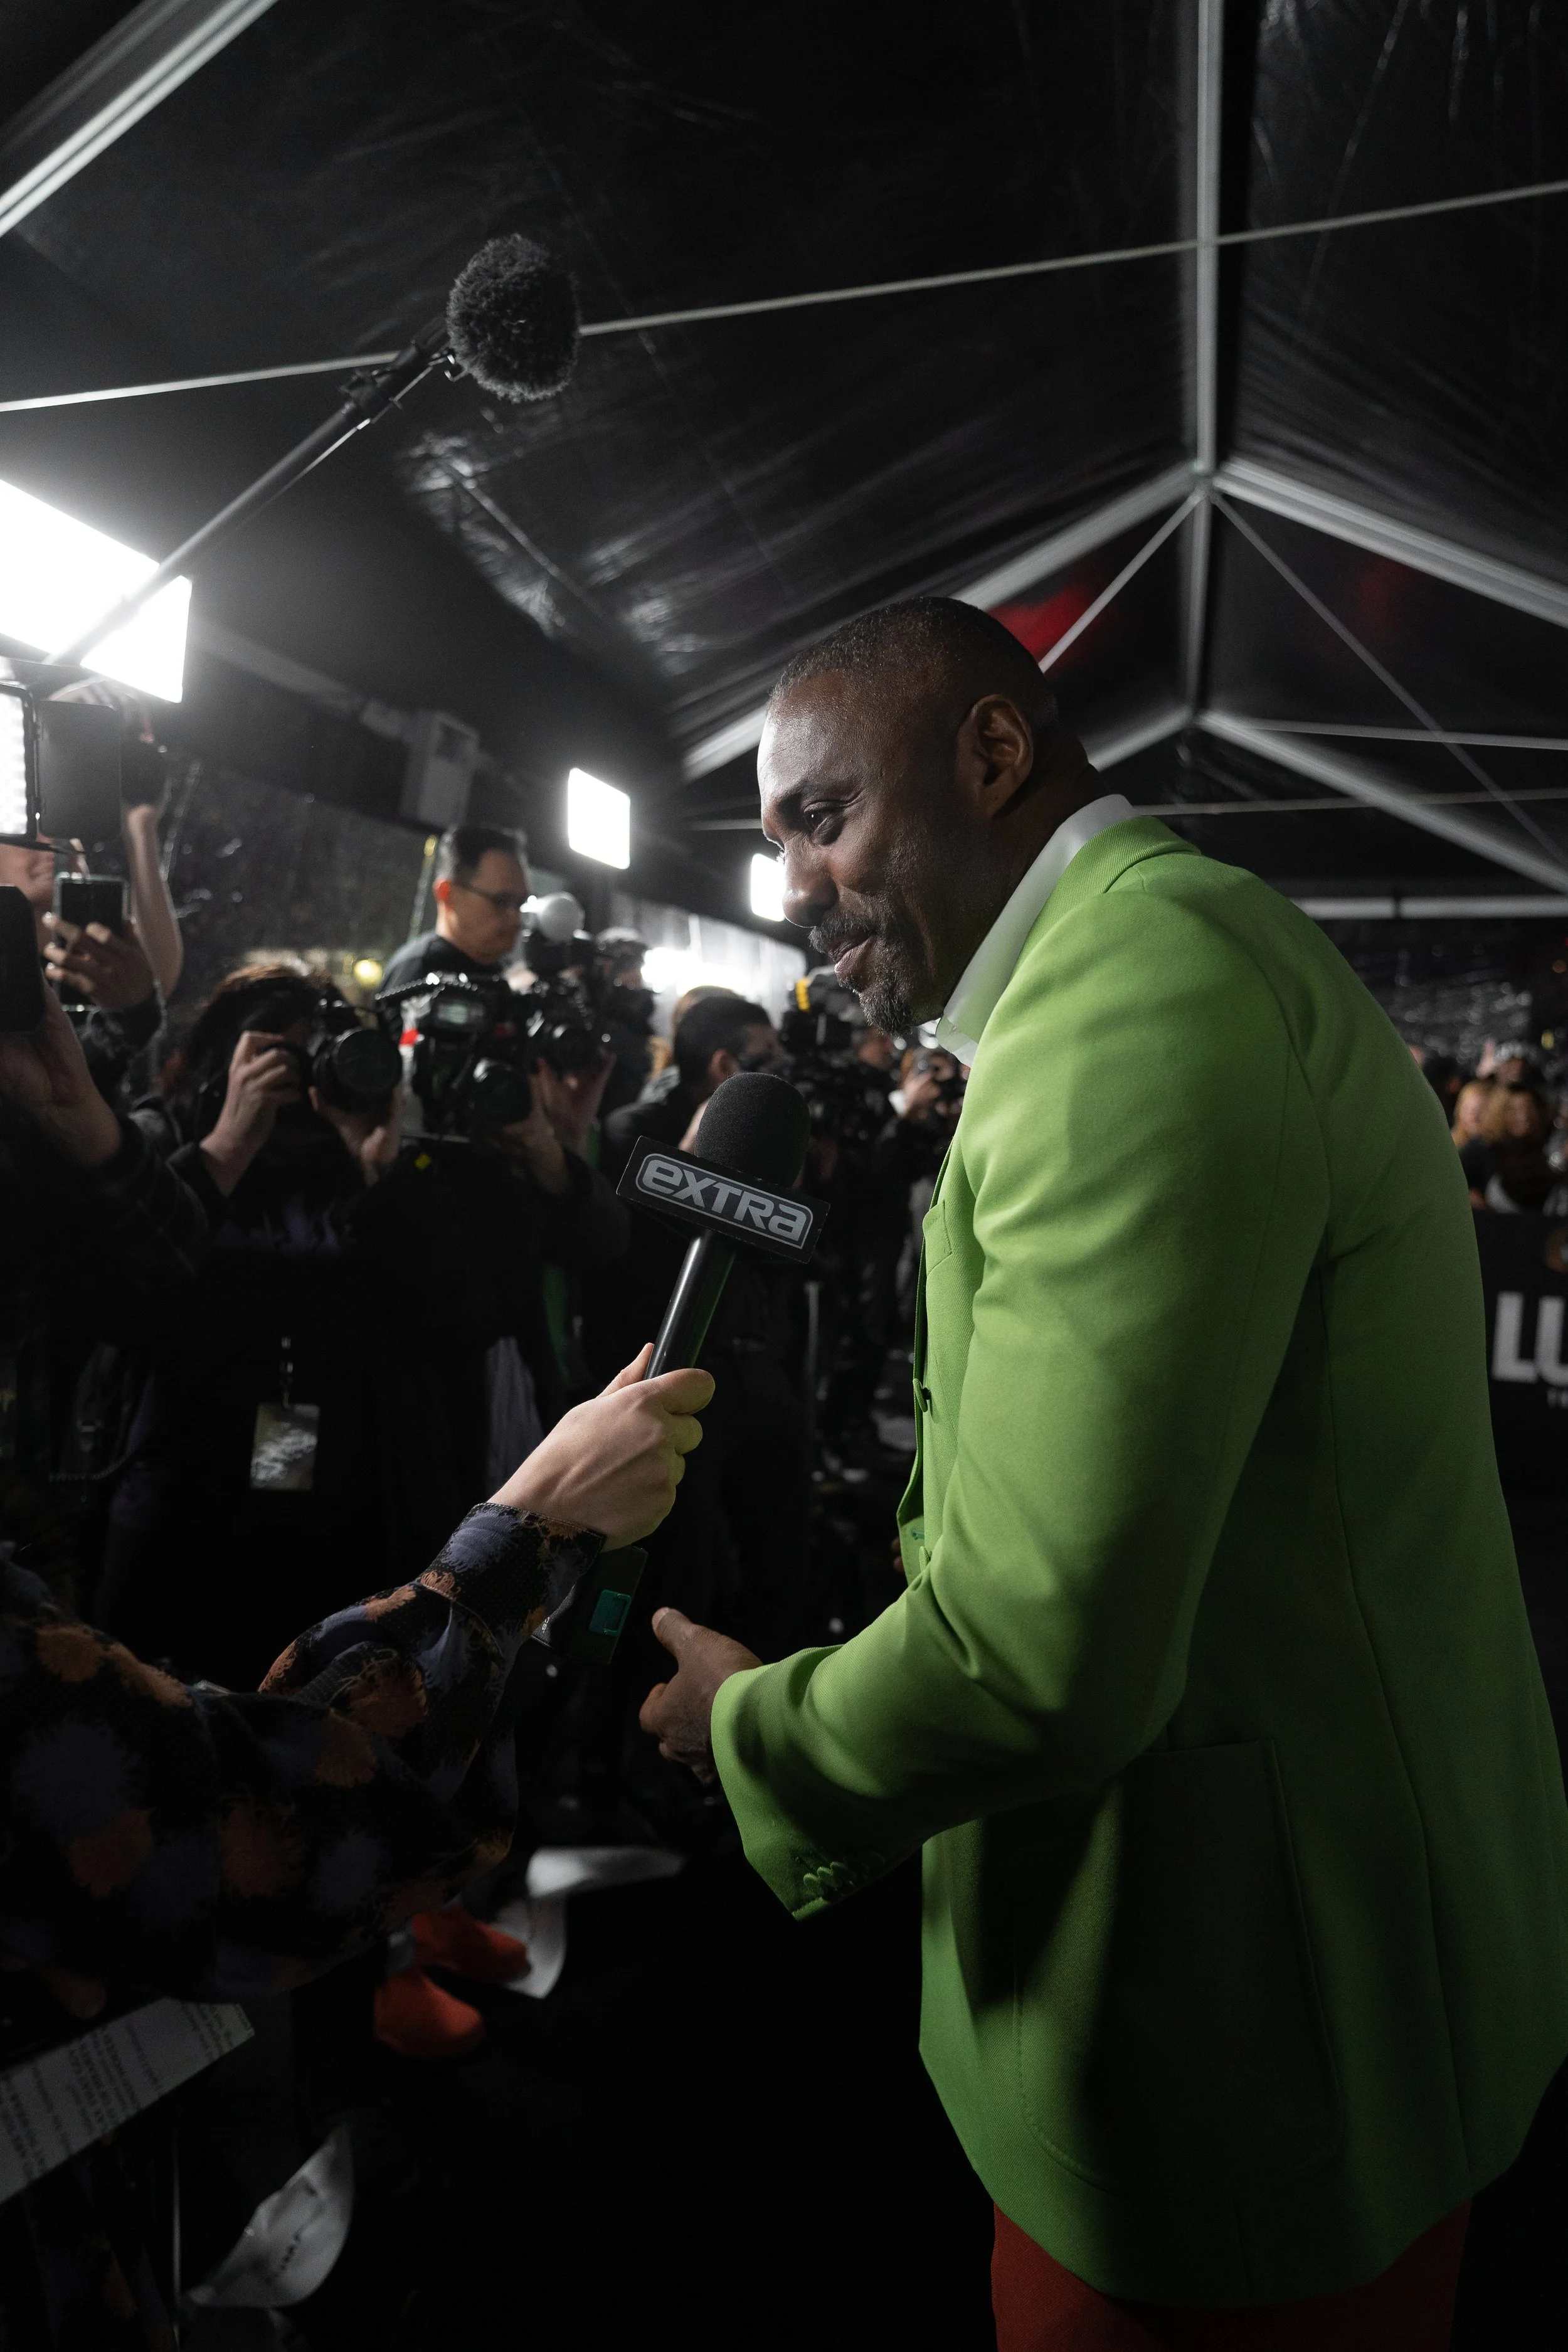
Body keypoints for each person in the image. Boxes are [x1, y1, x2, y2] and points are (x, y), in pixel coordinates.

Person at [640, 596, 1568, 2348]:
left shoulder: (1131, 1005)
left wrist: (754, 1723)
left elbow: (1035, 1649)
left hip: (1241, 2040)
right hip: (1278, 1969)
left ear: (991, 753)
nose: (795, 886)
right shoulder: (1137, 968)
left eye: (821, 817)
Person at [379, 822, 531, 990]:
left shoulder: (506, 974)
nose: (515, 920)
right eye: (501, 902)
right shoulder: (418, 974)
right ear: (447, 893)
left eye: (520, 903)